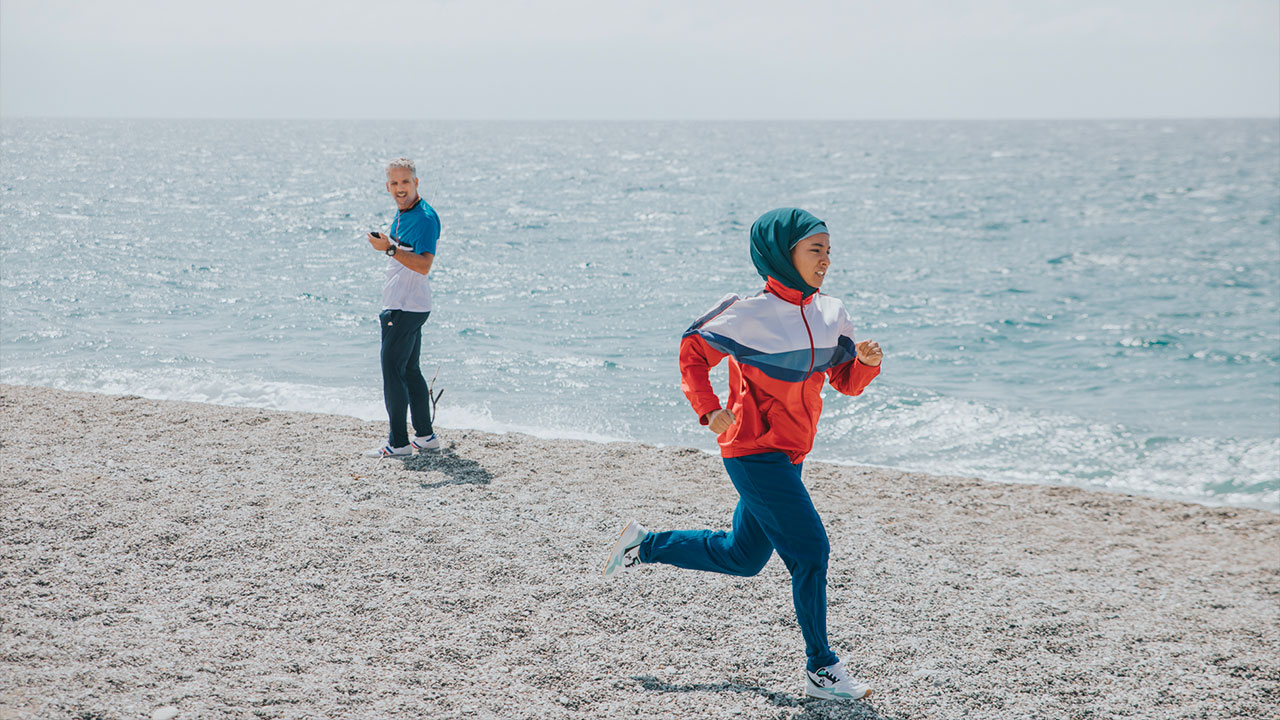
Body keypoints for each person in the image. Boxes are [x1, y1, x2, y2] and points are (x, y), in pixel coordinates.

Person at [602, 208, 884, 701]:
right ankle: (821, 668)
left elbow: (844, 383)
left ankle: (643, 545)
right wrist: (709, 410)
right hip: (753, 453)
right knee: (812, 551)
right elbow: (692, 351)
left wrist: (863, 364)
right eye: (815, 250)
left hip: (791, 455)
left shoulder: (831, 313)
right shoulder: (748, 313)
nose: (826, 260)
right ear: (782, 253)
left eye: (829, 251)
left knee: (743, 556)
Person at [362, 158, 442, 458]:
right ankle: (425, 437)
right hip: (408, 304)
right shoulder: (404, 212)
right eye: (394, 183)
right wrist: (388, 243)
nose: (400, 188)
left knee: (392, 372)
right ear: (387, 186)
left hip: (405, 308)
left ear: (416, 183)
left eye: (405, 182)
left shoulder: (424, 217)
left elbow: (423, 265)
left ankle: (397, 443)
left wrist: (389, 248)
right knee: (409, 370)